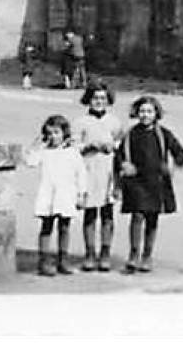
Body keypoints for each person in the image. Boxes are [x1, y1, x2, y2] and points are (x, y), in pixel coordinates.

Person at [116, 94, 183, 274]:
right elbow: (119, 156)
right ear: (136, 113)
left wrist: (173, 164)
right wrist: (124, 164)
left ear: (156, 113)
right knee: (137, 216)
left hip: (156, 182)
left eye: (149, 111)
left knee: (152, 219)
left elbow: (179, 152)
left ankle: (147, 256)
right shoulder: (131, 134)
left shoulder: (163, 134)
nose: (145, 115)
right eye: (142, 111)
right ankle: (133, 255)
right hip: (136, 182)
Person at [74, 81, 126, 271]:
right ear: (88, 99)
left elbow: (122, 142)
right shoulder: (81, 122)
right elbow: (73, 146)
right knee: (90, 213)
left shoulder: (114, 121)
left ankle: (105, 252)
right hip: (88, 170)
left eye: (103, 98)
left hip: (108, 170)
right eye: (95, 98)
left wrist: (114, 146)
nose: (99, 101)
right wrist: (89, 146)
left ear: (108, 100)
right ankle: (90, 253)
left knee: (107, 212)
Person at [26, 114, 87, 276]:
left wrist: (81, 194)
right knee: (46, 226)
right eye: (50, 133)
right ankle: (44, 261)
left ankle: (63, 260)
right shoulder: (44, 152)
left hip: (66, 194)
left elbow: (81, 173)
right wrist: (36, 144)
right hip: (48, 194)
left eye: (57, 133)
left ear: (64, 133)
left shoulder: (72, 153)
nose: (53, 137)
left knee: (64, 227)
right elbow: (30, 162)